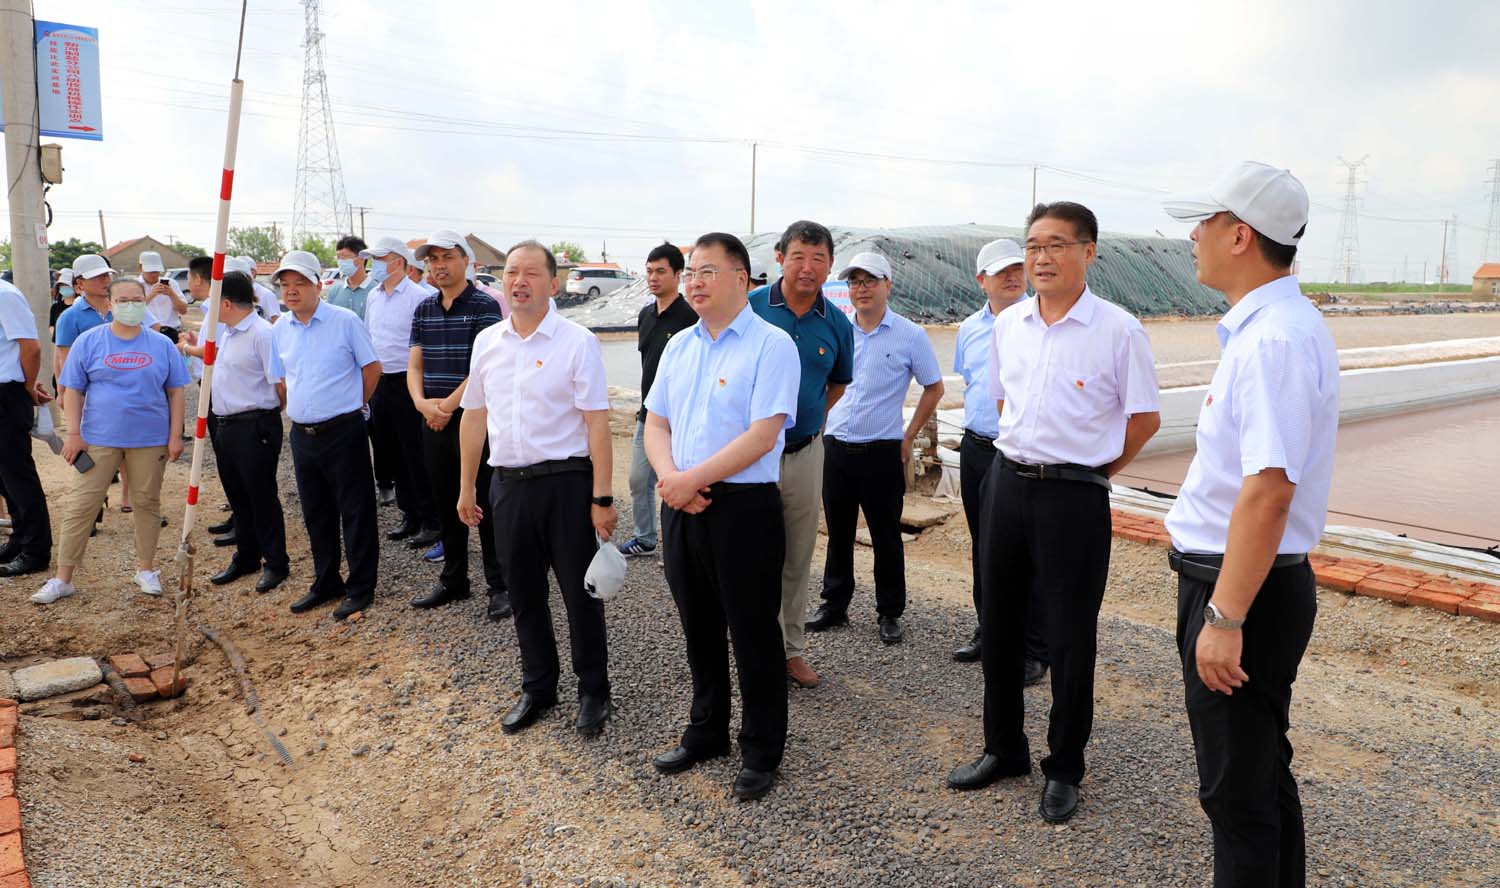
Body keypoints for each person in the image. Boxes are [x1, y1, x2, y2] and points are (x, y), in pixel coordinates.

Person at [947, 202, 1161, 827]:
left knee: (1069, 636)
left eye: (1057, 245)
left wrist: (1093, 472)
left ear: (1088, 252)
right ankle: (1003, 748)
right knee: (999, 620)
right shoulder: (1009, 325)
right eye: (1034, 245)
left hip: (1074, 496)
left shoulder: (1119, 330)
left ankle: (1064, 767)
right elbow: (1004, 403)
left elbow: (1144, 419)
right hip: (1007, 482)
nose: (1042, 258)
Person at [1162, 162, 1335, 887]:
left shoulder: (1272, 342)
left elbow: (1268, 493)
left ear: (1239, 236)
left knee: (1236, 793)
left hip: (1242, 591)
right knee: (1260, 773)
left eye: (1202, 224)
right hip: (1249, 582)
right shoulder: (1275, 327)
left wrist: (1225, 617)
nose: (1192, 238)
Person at [644, 232, 799, 801]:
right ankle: (707, 731)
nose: (695, 283)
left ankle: (761, 748)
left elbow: (763, 435)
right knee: (699, 626)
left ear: (741, 278)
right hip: (681, 503)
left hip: (742, 509)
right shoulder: (679, 346)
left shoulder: (771, 345)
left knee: (754, 632)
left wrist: (691, 479)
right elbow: (655, 422)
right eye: (691, 274)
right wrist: (672, 479)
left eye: (707, 272)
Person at [456, 240, 615, 738]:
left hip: (566, 484)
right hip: (508, 486)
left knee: (579, 595)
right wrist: (467, 486)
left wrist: (602, 498)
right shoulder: (488, 342)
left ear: (553, 283)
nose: (518, 281)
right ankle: (538, 687)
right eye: (511, 273)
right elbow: (474, 417)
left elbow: (596, 423)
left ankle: (594, 691)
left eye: (530, 273)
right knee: (524, 594)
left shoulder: (577, 342)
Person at [809, 252, 943, 644]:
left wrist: (909, 434)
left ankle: (889, 611)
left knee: (886, 535)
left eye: (870, 280)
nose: (861, 288)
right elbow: (822, 382)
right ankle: (834, 604)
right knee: (838, 533)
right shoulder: (838, 330)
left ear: (888, 286)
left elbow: (934, 387)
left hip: (882, 450)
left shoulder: (910, 335)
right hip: (835, 446)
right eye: (854, 281)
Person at [33, 279, 187, 605]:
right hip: (98, 439)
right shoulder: (89, 342)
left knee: (146, 502)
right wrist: (73, 434)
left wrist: (175, 436)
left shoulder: (161, 344)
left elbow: (176, 391)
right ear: (110, 305)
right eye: (123, 300)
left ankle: (146, 569)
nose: (130, 305)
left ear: (145, 303)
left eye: (137, 300)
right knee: (82, 504)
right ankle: (63, 578)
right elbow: (73, 390)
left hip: (149, 439)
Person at [749, 220, 853, 689]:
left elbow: (837, 384)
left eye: (818, 259)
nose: (807, 268)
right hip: (748, 456)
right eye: (798, 257)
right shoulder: (750, 309)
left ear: (830, 265)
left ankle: (790, 650)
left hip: (805, 453)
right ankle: (752, 647)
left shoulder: (837, 324)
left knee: (796, 555)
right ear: (779, 258)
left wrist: (808, 418)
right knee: (749, 552)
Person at [950, 238, 1047, 685]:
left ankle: (1033, 647)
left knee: (1027, 551)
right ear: (981, 280)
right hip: (977, 448)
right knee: (983, 545)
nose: (1011, 277)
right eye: (1000, 271)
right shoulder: (970, 329)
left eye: (1015, 269)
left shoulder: (1041, 323)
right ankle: (988, 629)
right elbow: (971, 382)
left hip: (1020, 454)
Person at [268, 250, 382, 620]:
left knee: (356, 511)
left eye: (300, 283)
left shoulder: (344, 321)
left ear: (318, 285)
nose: (291, 290)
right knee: (316, 511)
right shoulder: (280, 329)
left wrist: (354, 404)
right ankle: (326, 580)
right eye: (285, 284)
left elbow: (372, 368)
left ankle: (361, 586)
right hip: (303, 435)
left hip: (343, 430)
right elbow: (281, 378)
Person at [407, 230, 507, 614]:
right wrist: (422, 404)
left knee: (484, 500)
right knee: (445, 499)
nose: (439, 266)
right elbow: (415, 365)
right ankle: (454, 580)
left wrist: (445, 407)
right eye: (432, 259)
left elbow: (482, 369)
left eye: (447, 257)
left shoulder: (484, 306)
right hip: (432, 418)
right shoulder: (424, 309)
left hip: (472, 418)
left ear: (466, 260)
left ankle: (499, 585)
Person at [186, 271, 289, 594]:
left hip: (254, 425)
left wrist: (265, 417)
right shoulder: (229, 333)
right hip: (227, 424)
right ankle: (246, 556)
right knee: (238, 496)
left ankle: (276, 563)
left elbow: (280, 385)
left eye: (214, 301)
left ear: (227, 303)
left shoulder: (262, 333)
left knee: (261, 496)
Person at [361, 236, 441, 552]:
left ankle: (431, 520)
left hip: (408, 383)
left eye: (379, 259)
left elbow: (428, 345)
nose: (375, 266)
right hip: (381, 382)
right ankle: (410, 515)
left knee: (415, 453)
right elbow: (370, 336)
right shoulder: (373, 296)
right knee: (391, 452)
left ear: (398, 261)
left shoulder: (420, 297)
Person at [619, 241, 694, 558]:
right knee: (639, 479)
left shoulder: (691, 317)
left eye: (661, 271)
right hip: (649, 413)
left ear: (678, 275)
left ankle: (685, 543)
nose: (653, 277)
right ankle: (645, 538)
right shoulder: (645, 315)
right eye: (649, 271)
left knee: (679, 481)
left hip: (683, 417)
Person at [0, 277, 53, 577]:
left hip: (6, 394)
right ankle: (19, 539)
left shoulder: (5, 295)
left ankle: (35, 551)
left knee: (18, 476)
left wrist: (27, 386)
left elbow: (31, 349)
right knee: (3, 478)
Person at [139, 251, 188, 343]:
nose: (154, 275)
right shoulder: (135, 285)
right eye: (150, 271)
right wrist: (151, 295)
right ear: (140, 267)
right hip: (147, 333)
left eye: (157, 271)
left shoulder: (172, 283)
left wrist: (172, 294)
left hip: (172, 332)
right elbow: (135, 310)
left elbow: (183, 310)